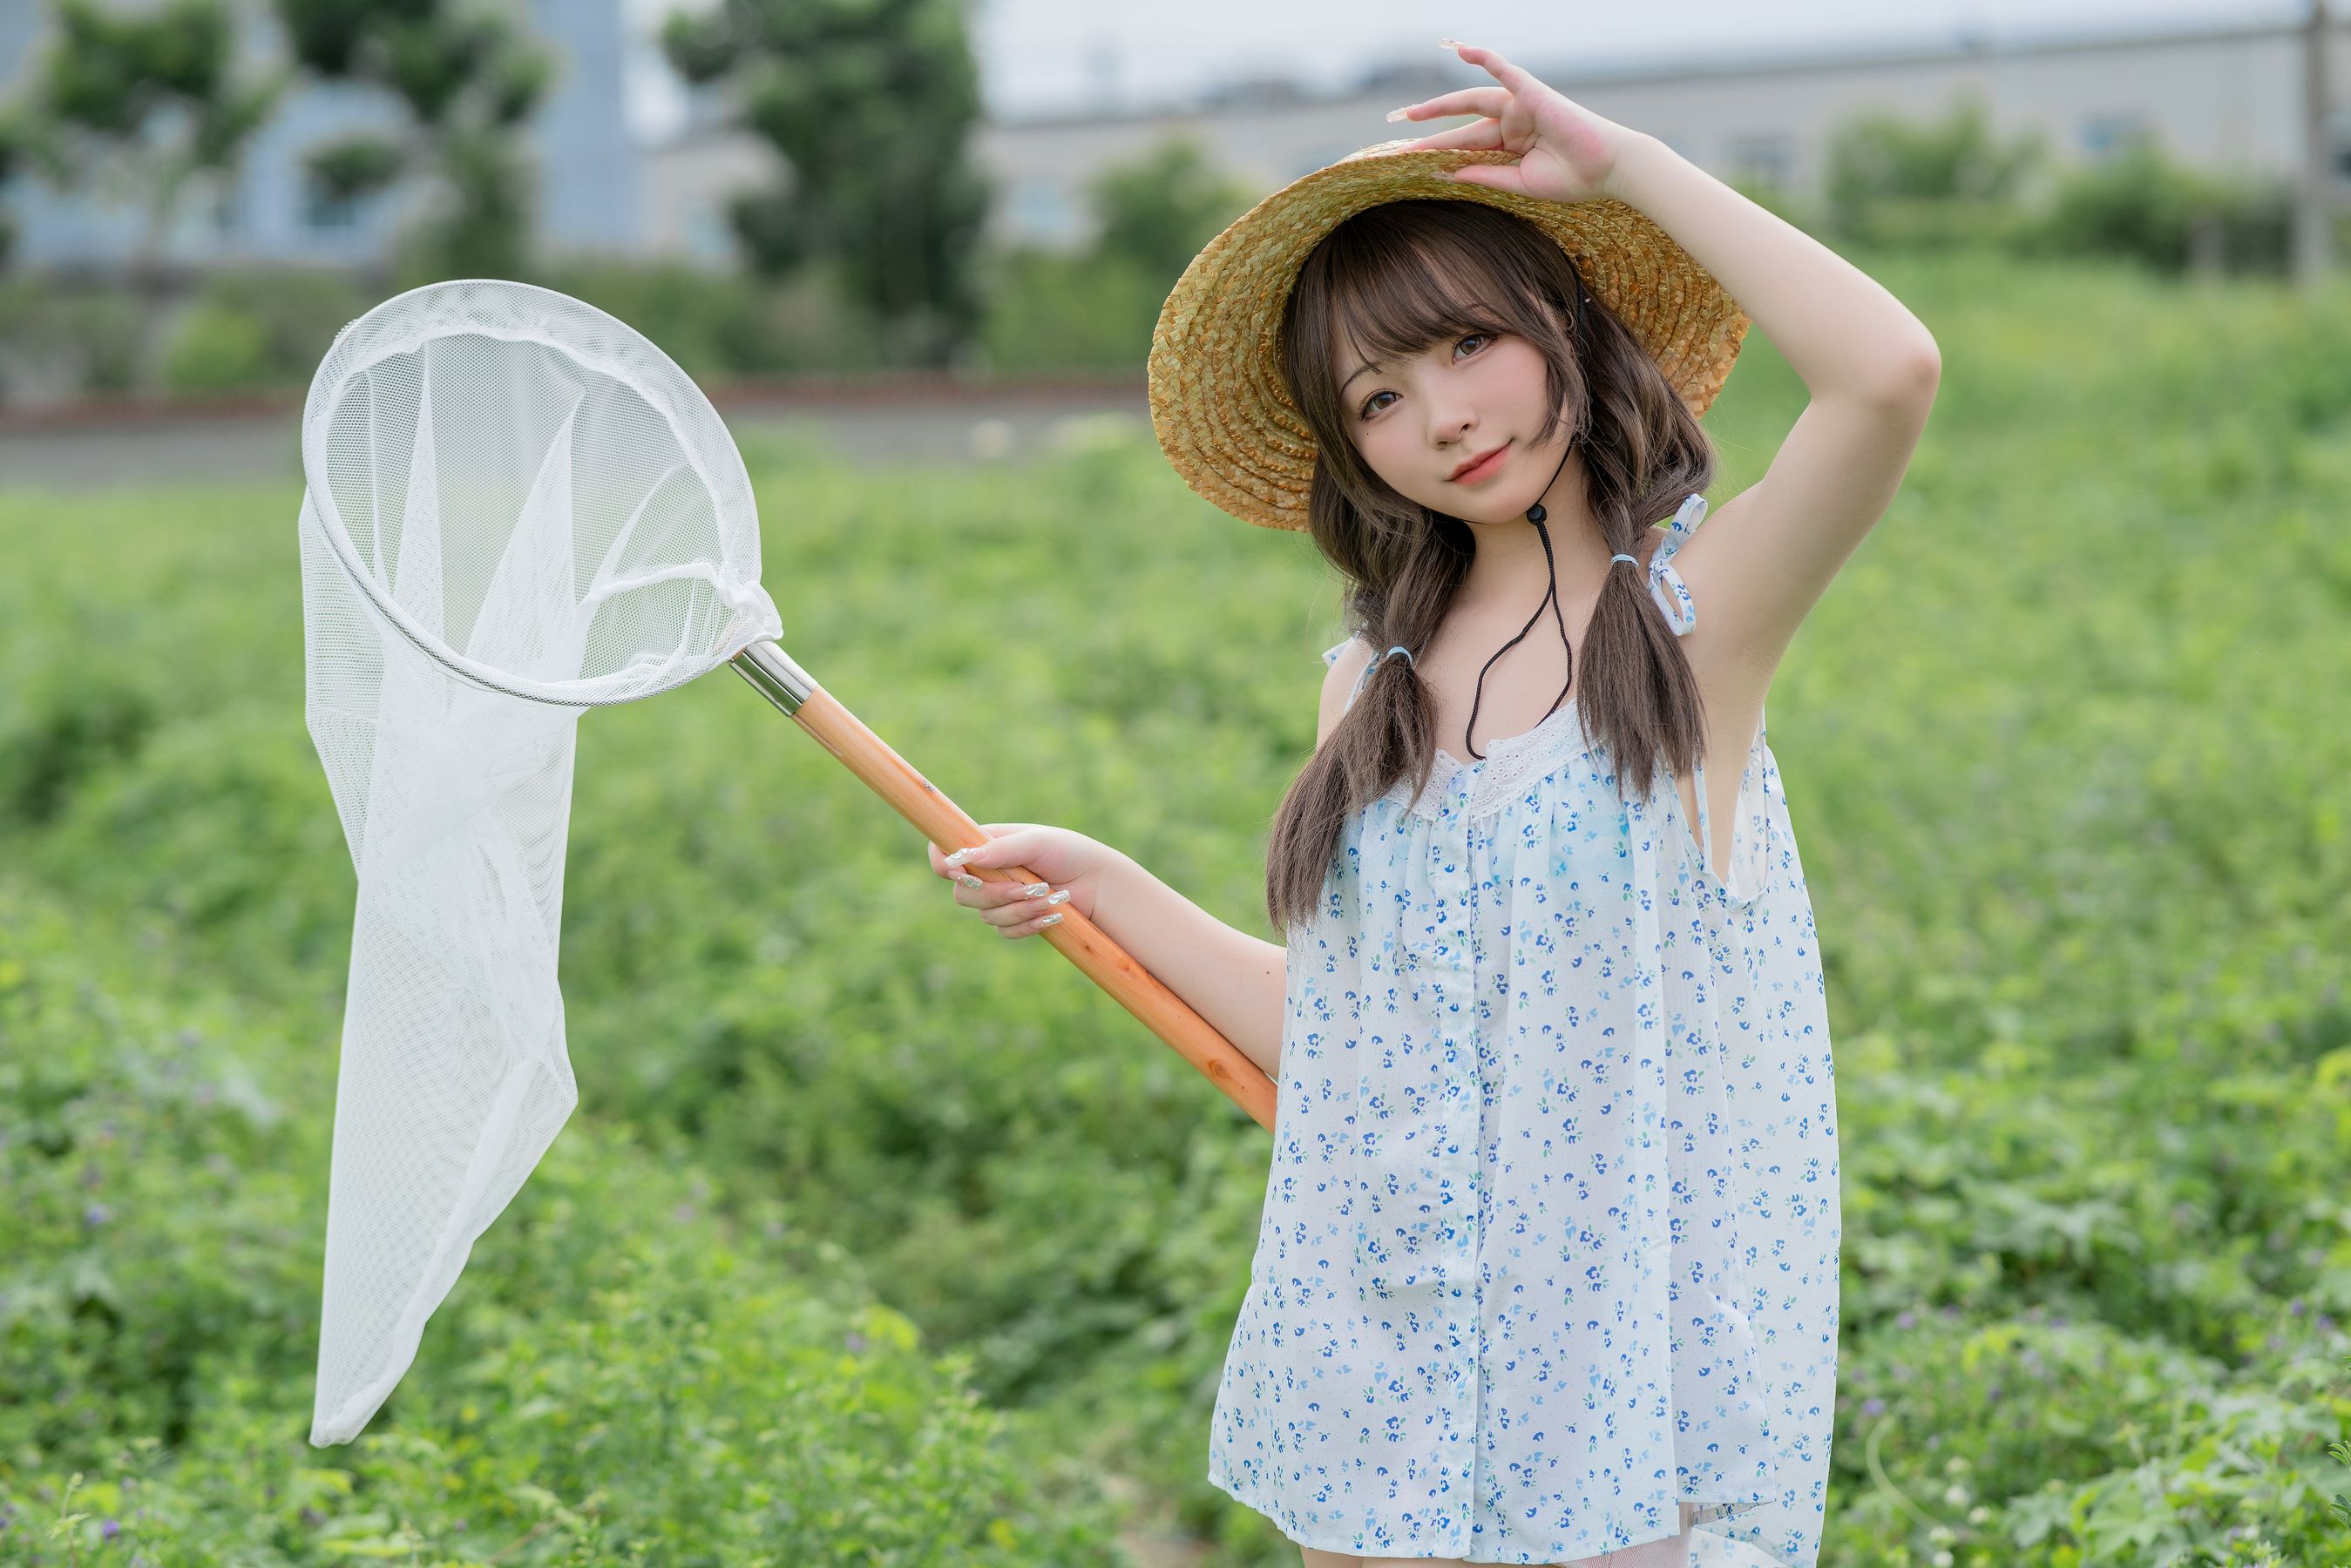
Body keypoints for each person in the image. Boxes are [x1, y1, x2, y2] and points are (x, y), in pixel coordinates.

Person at [926, 38, 1939, 1568]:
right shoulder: (1368, 686)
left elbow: (1886, 372)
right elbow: (1354, 1036)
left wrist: (1619, 168)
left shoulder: (1695, 623)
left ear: (1565, 326)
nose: (1445, 415)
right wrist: (1101, 884)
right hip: (1390, 1367)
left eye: (1469, 344)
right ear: (1354, 454)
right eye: (1381, 395)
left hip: (1624, 1376)